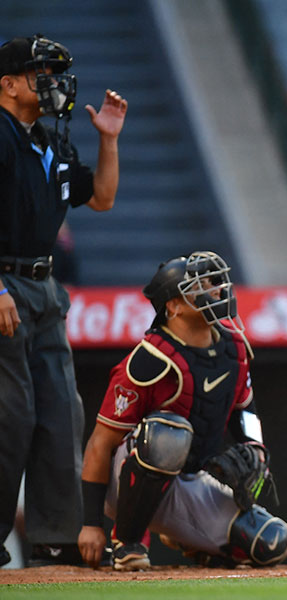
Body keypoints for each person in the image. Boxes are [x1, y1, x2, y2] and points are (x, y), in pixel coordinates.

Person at [76, 252, 287, 570]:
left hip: (188, 479)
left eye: (215, 283)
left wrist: (255, 446)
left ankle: (189, 539)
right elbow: (99, 444)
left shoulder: (234, 347)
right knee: (168, 433)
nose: (216, 291)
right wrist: (90, 524)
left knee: (273, 541)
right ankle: (128, 541)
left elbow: (246, 411)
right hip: (122, 484)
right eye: (200, 286)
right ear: (173, 306)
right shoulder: (149, 359)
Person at [0, 34, 127, 567]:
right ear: (7, 85)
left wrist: (109, 140)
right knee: (10, 416)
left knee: (61, 413)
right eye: (39, 74)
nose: (52, 84)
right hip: (5, 282)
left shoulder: (45, 140)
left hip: (47, 288)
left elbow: (100, 197)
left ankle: (56, 536)